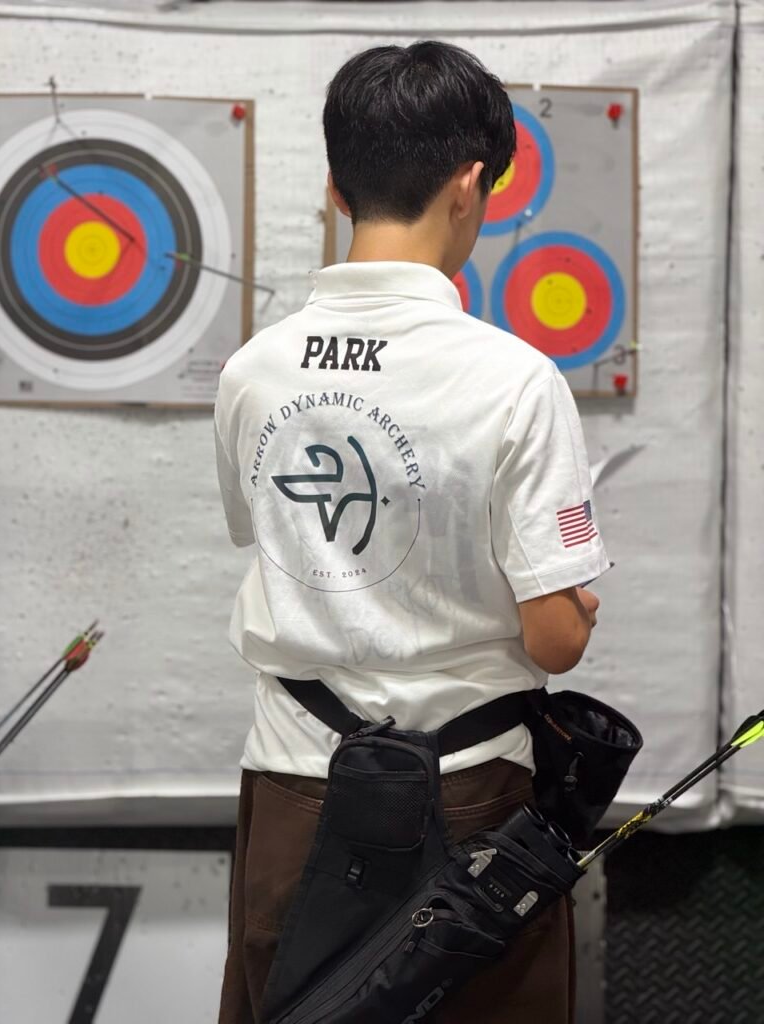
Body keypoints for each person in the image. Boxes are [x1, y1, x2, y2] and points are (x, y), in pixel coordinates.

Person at [214, 40, 608, 1024]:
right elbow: (555, 635)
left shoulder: (253, 370)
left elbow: (276, 542)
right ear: (472, 182)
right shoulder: (515, 379)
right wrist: (573, 602)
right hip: (470, 799)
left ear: (337, 183)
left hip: (294, 787)